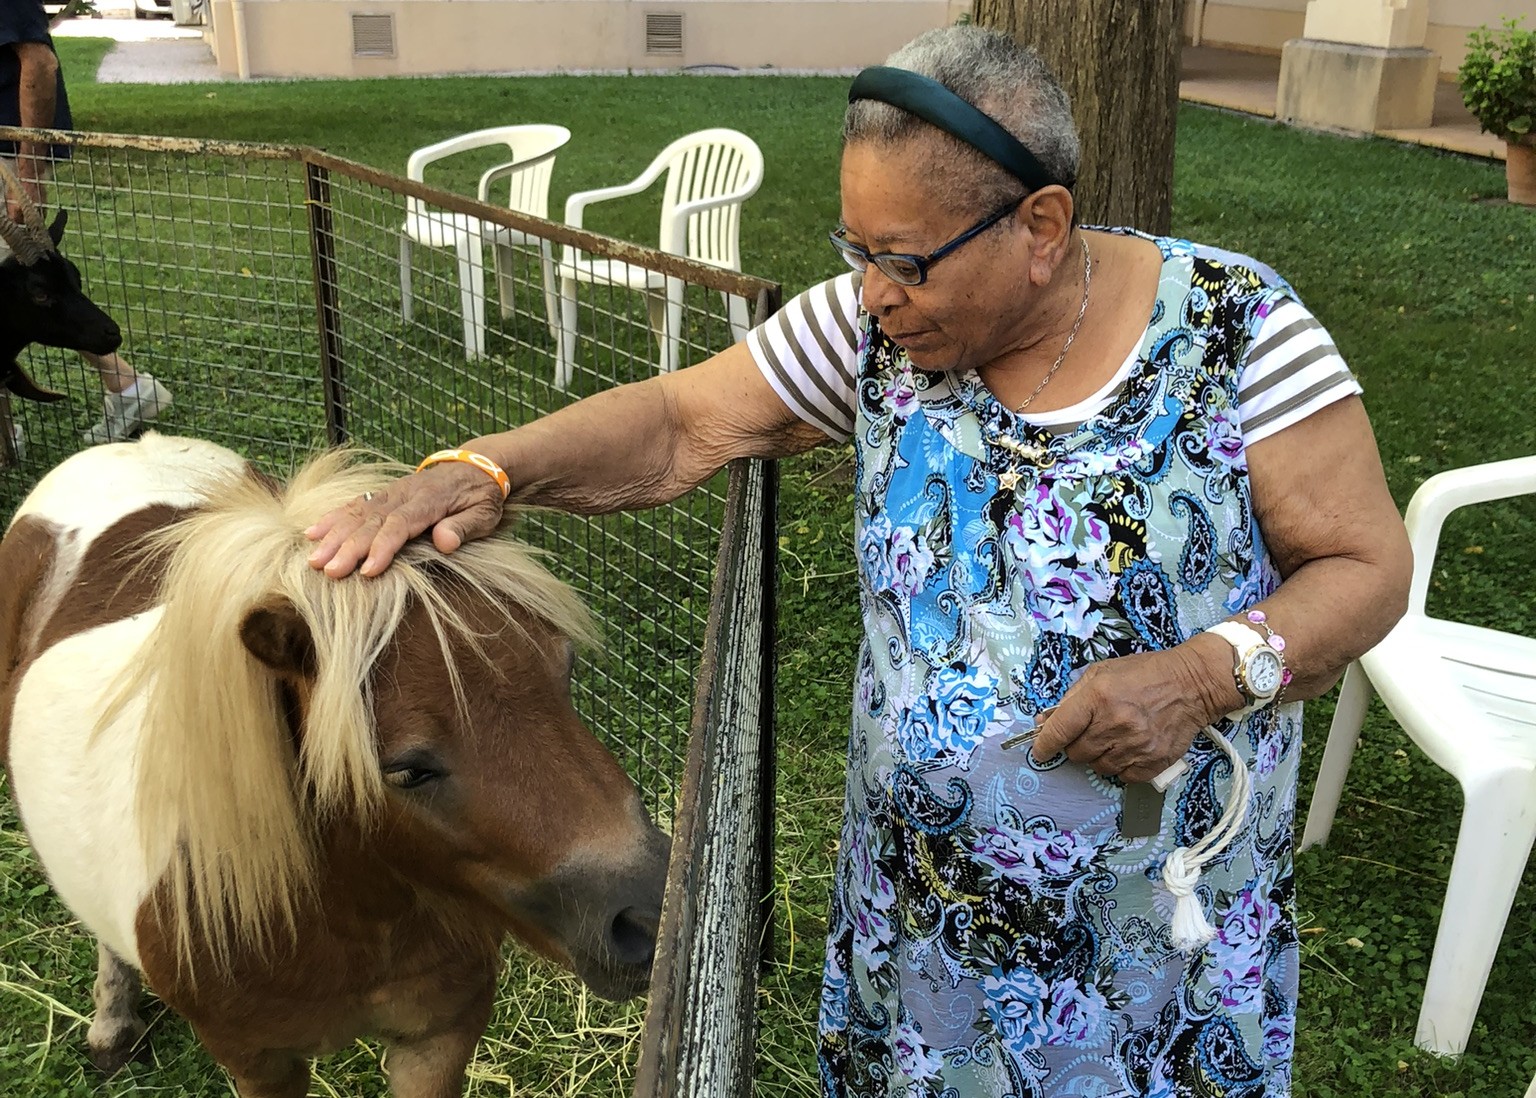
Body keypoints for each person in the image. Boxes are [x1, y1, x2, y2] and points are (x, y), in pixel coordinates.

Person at [307, 26, 1412, 1097]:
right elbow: (681, 421)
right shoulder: (874, 331)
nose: (875, 291)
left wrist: (1199, 676)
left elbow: (1367, 567)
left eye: (906, 260)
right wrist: (489, 469)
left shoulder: (1239, 331)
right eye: (857, 249)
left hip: (1149, 933)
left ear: (1040, 225)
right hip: (922, 919)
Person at [1, 0, 173, 444]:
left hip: (6, 158)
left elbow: (39, 62)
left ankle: (128, 385)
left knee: (25, 286)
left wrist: (28, 170)